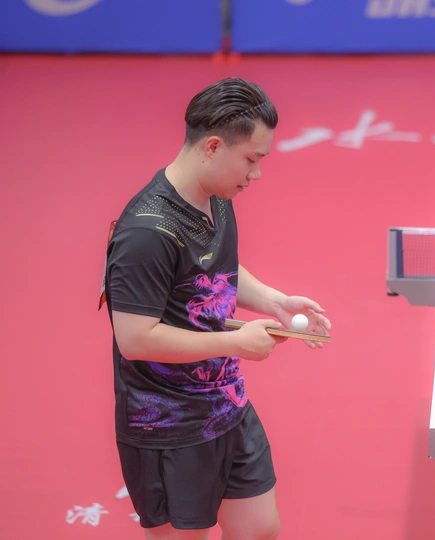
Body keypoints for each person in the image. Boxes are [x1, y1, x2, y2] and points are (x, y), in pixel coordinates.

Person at [102, 77, 331, 540]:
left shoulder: (216, 198)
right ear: (212, 147)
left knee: (259, 529)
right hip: (167, 424)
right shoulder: (146, 232)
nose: (256, 175)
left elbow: (215, 270)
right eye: (251, 159)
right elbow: (135, 339)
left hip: (225, 401)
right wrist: (235, 343)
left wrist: (275, 301)